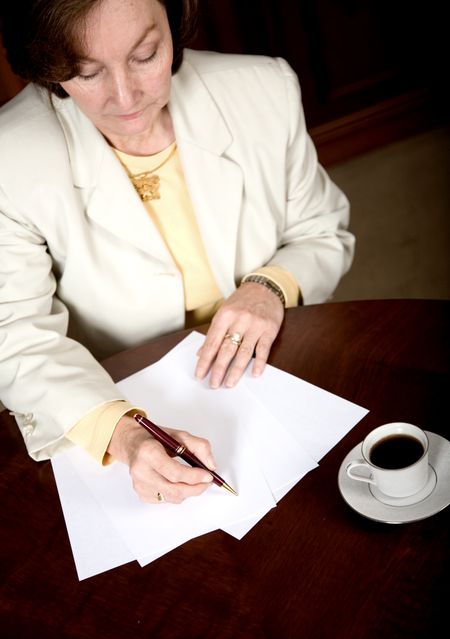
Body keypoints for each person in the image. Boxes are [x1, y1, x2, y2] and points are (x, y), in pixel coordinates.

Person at [0, 0, 354, 504]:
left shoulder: (264, 89)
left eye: (145, 55)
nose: (125, 97)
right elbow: (15, 339)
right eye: (85, 71)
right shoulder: (8, 158)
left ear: (175, 21)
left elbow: (323, 231)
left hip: (275, 372)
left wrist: (271, 285)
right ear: (46, 64)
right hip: (113, 395)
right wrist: (124, 434)